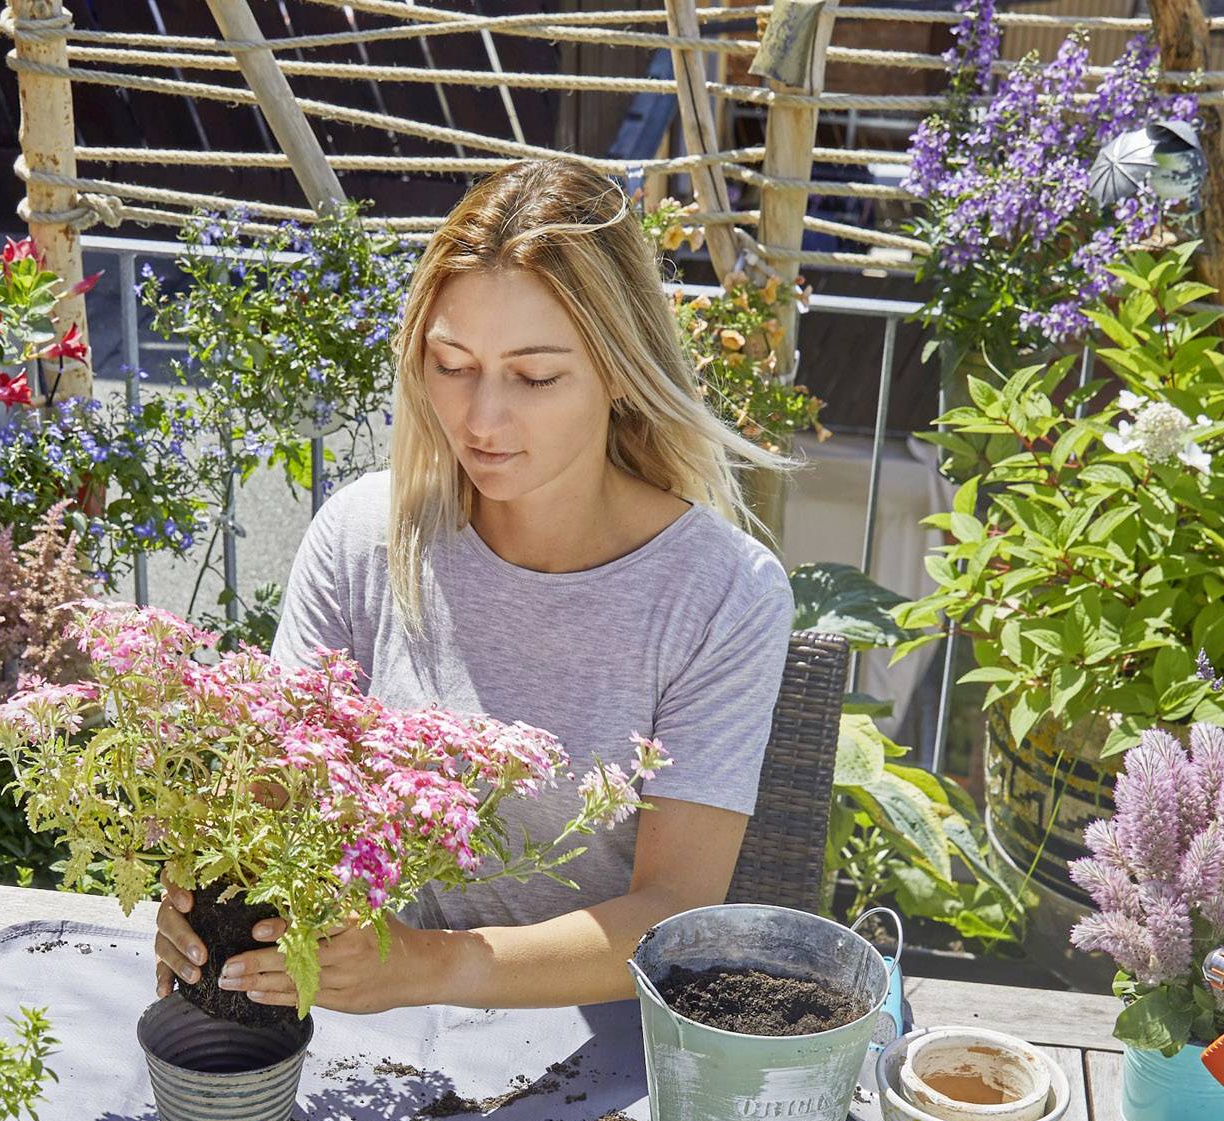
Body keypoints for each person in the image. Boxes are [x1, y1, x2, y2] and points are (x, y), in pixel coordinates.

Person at [153, 157, 795, 1013]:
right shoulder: (361, 536)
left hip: (595, 1064)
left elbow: (673, 910)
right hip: (358, 1032)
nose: (482, 420)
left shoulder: (724, 593)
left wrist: (432, 966)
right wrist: (209, 889)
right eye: (453, 364)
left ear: (620, 369)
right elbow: (274, 794)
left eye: (534, 377)